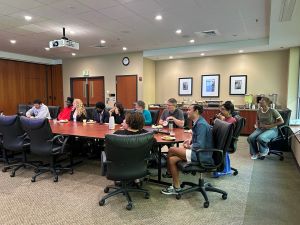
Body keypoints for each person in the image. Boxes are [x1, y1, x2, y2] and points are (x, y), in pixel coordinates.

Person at [161, 104, 213, 195]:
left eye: (189, 109)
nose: (187, 112)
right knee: (172, 159)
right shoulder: (198, 121)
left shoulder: (201, 124)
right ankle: (176, 187)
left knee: (172, 149)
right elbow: (197, 137)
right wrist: (190, 140)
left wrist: (189, 146)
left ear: (196, 111)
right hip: (197, 152)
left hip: (201, 155)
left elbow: (200, 145)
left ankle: (169, 171)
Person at [212, 101, 236, 177]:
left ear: (229, 111)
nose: (220, 111)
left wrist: (221, 121)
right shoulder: (226, 119)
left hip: (225, 143)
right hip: (223, 141)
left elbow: (224, 134)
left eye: (223, 109)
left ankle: (219, 168)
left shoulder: (231, 121)